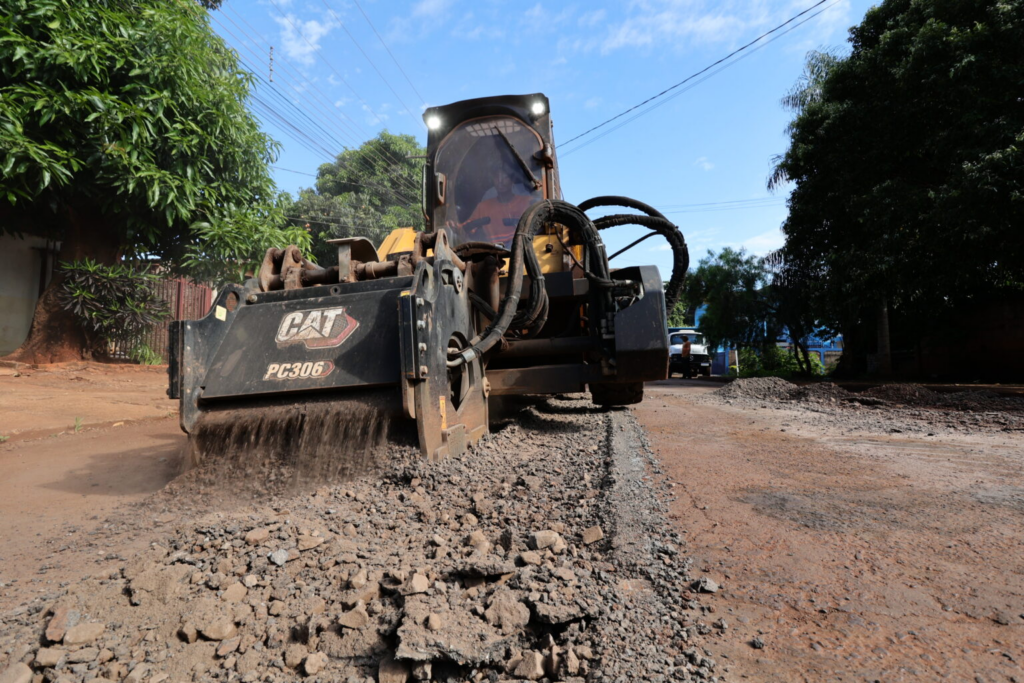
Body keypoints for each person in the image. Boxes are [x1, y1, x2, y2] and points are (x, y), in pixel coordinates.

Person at [462, 159, 536, 246]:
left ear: (512, 180)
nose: (500, 181)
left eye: (505, 177)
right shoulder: (483, 207)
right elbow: (467, 227)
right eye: (497, 177)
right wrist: (455, 227)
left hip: (523, 248)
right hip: (494, 253)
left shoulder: (528, 202)